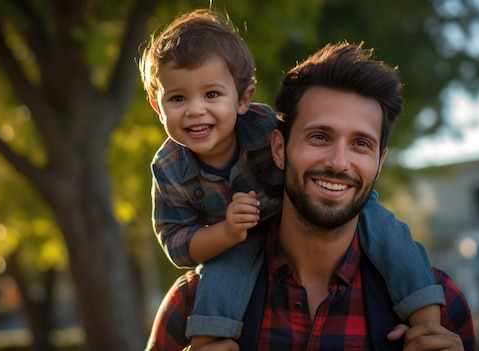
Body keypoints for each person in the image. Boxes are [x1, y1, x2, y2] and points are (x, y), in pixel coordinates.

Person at [140, 9, 449, 350]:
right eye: (319, 137)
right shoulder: (189, 303)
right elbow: (176, 240)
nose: (338, 162)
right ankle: (209, 339)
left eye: (361, 144)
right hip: (235, 245)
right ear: (280, 148)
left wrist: (430, 334)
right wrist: (226, 232)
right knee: (225, 267)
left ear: (244, 99)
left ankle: (423, 318)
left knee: (387, 228)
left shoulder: (450, 305)